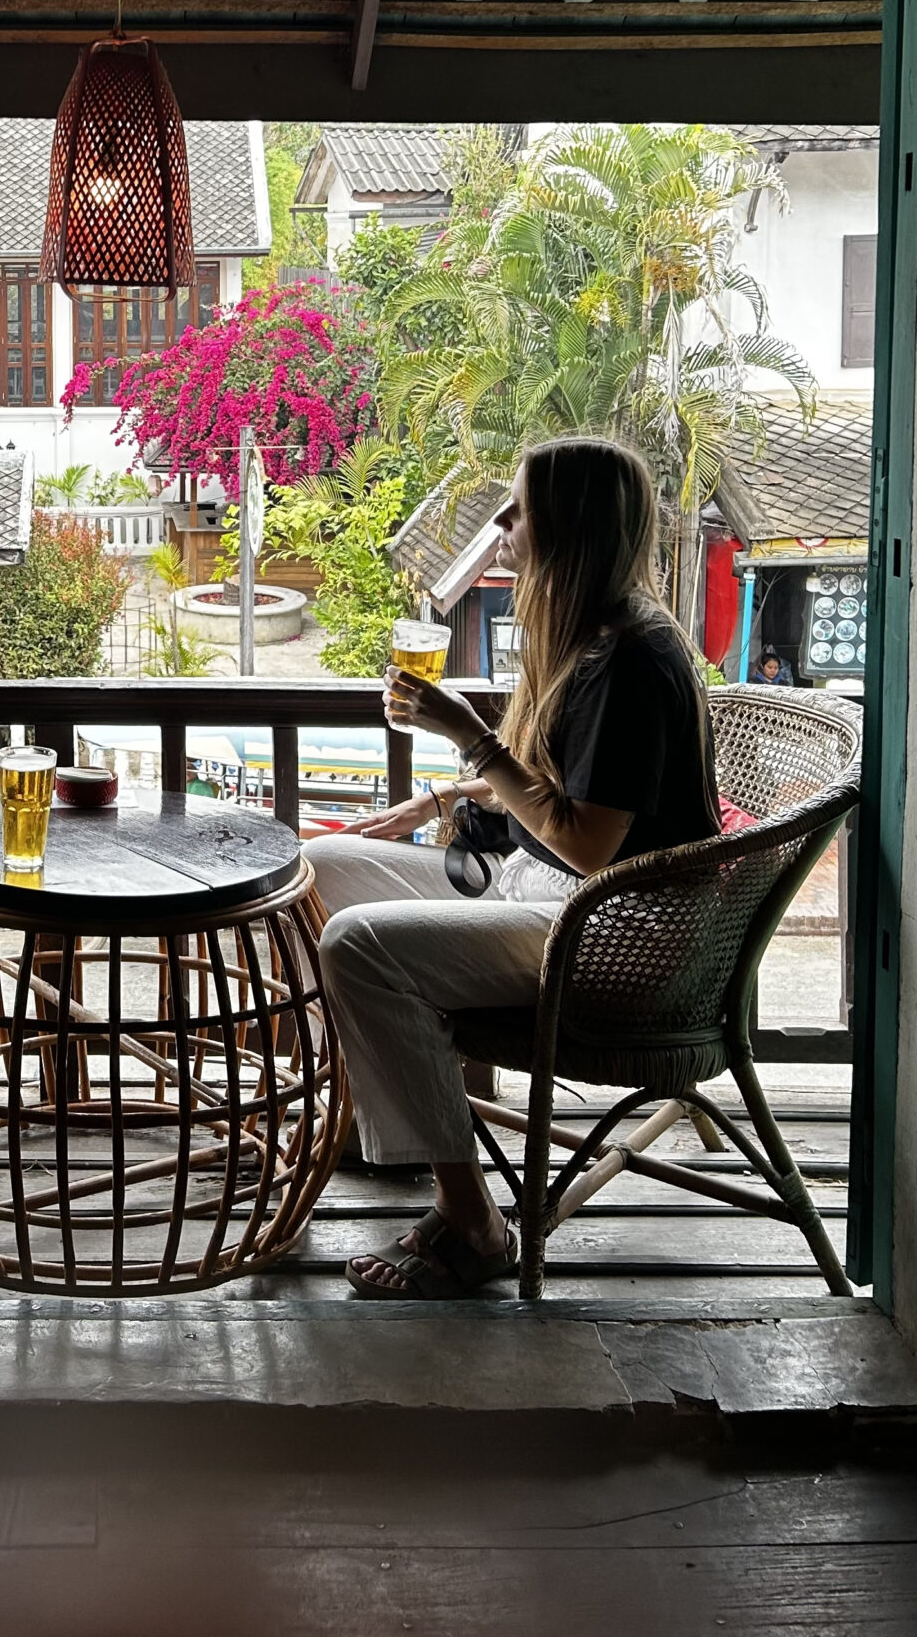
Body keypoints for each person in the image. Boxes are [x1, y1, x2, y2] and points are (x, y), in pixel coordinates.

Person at [311, 436, 719, 1300]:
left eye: (520, 507)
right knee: (320, 869)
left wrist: (470, 735)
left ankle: (470, 1217)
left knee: (356, 944)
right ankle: (387, 1110)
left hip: (611, 928)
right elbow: (562, 795)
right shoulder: (588, 639)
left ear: (567, 528)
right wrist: (443, 799)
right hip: (547, 892)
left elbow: (583, 842)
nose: (502, 521)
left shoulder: (629, 662)